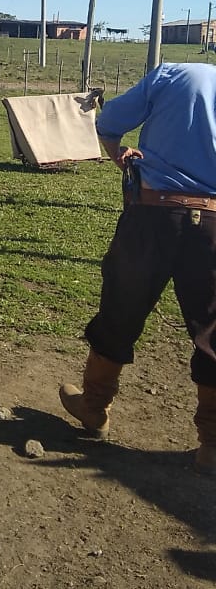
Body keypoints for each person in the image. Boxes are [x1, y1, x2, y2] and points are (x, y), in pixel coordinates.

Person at [59, 62, 216, 474]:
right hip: (215, 225)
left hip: (153, 215)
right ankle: (212, 444)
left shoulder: (177, 75)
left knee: (121, 307)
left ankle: (94, 406)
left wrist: (117, 154)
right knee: (214, 326)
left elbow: (108, 122)